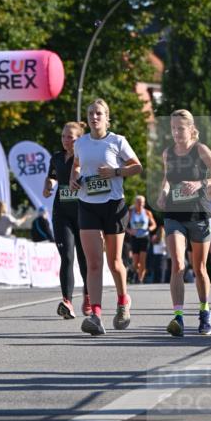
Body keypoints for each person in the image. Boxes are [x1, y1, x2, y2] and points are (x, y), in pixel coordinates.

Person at [71, 99, 142, 336]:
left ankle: (123, 302)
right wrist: (74, 178)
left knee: (114, 262)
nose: (94, 117)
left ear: (106, 117)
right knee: (93, 263)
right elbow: (78, 166)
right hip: (87, 203)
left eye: (99, 113)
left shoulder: (117, 141)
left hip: (113, 204)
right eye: (91, 113)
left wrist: (116, 172)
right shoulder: (80, 143)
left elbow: (137, 166)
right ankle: (96, 315)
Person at [158, 109, 211, 337]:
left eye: (181, 128)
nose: (177, 132)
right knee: (177, 264)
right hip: (174, 213)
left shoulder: (201, 150)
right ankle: (178, 317)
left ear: (191, 128)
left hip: (198, 213)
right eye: (173, 128)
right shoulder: (168, 153)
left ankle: (205, 312)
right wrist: (163, 192)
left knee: (199, 268)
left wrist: (200, 183)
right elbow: (167, 177)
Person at [43, 121, 90, 319]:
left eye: (70, 137)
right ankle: (67, 302)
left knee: (83, 257)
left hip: (83, 211)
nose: (65, 140)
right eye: (63, 136)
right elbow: (52, 176)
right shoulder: (56, 158)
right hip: (61, 212)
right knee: (67, 257)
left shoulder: (85, 157)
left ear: (79, 139)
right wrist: (48, 185)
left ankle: (88, 297)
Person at [127, 195, 156, 284]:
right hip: (135, 238)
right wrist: (130, 231)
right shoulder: (131, 213)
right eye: (138, 202)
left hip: (145, 238)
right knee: (135, 261)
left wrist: (149, 229)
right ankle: (134, 272)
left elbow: (154, 224)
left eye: (142, 202)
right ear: (135, 203)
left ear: (144, 203)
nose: (140, 204)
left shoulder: (147, 212)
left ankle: (140, 279)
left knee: (143, 260)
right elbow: (124, 225)